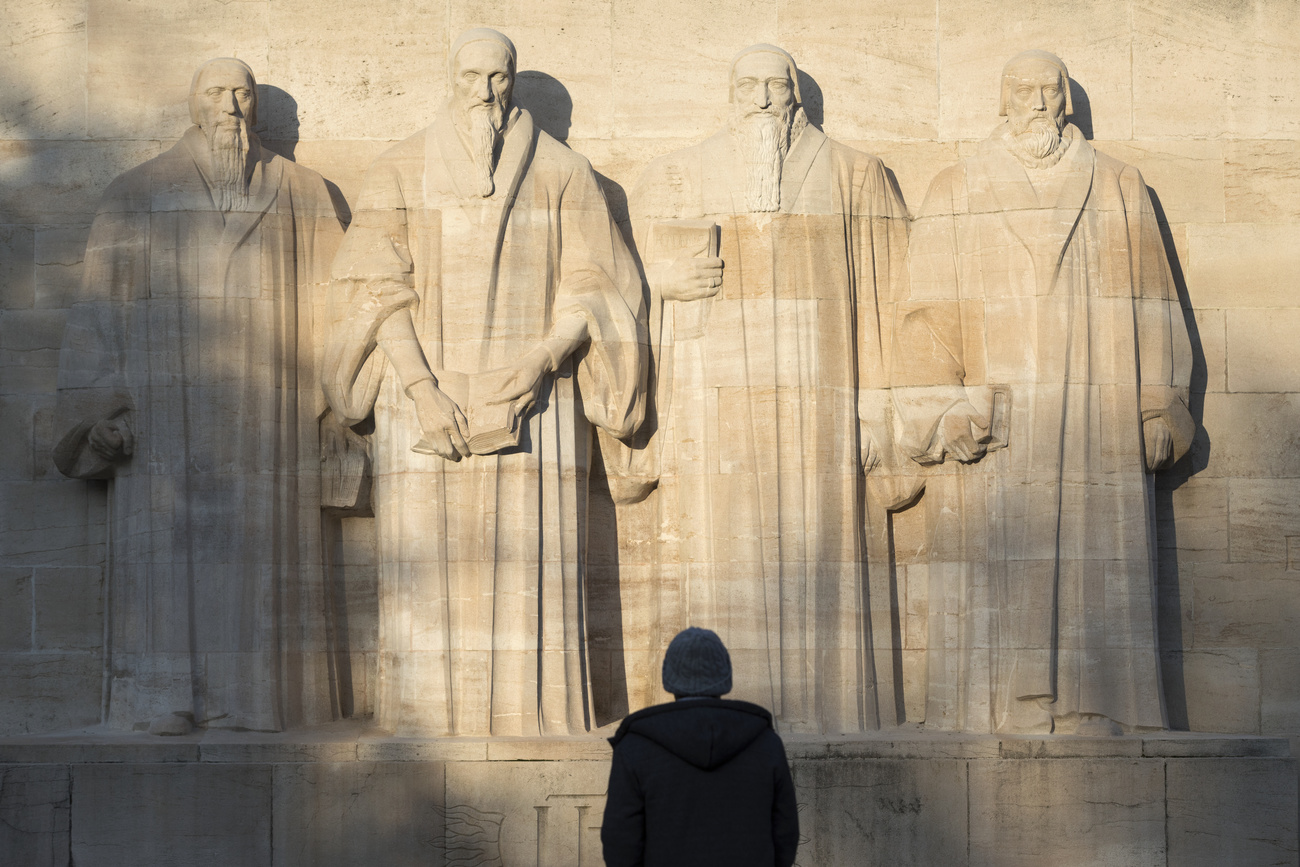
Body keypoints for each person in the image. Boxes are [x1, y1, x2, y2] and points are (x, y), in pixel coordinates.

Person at [322, 28, 646, 736]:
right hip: (420, 404)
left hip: (539, 399)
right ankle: (420, 725)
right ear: (450, 80)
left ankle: (540, 718)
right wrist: (420, 389)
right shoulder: (400, 167)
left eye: (499, 77)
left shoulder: (563, 170)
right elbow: (375, 289)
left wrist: (543, 358)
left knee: (534, 573)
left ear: (515, 82)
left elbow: (598, 284)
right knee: (426, 577)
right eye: (472, 76)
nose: (486, 91)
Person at [892, 50, 1194, 734]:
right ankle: (991, 707)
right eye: (1021, 90)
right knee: (996, 560)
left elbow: (1154, 301)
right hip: (996, 417)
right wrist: (940, 410)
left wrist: (1158, 403)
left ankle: (1104, 702)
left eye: (1048, 90)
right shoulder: (956, 187)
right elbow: (924, 315)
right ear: (1002, 102)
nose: (1035, 101)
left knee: (1098, 558)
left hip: (1096, 408)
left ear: (1068, 102)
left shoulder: (1119, 185)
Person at [613, 44, 910, 733]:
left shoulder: (854, 176)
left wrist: (880, 406)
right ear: (730, 95)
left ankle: (829, 711)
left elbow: (894, 296)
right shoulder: (676, 177)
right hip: (708, 402)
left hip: (824, 398)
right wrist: (662, 284)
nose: (761, 99)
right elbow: (615, 282)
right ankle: (707, 708)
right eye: (747, 86)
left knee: (823, 547)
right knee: (716, 551)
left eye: (775, 87)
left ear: (795, 98)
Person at [54, 58, 345, 733]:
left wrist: (339, 417)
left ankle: (261, 698)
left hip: (273, 424)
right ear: (193, 104)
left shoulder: (303, 192)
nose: (231, 107)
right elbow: (97, 315)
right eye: (216, 93)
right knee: (166, 556)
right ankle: (163, 698)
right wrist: (99, 414)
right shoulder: (137, 194)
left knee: (265, 564)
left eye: (242, 93)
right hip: (165, 427)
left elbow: (345, 307)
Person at [601, 627, 799, 867]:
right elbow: (785, 833)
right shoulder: (766, 743)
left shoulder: (635, 747)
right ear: (725, 676)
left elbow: (620, 841)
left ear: (669, 678)